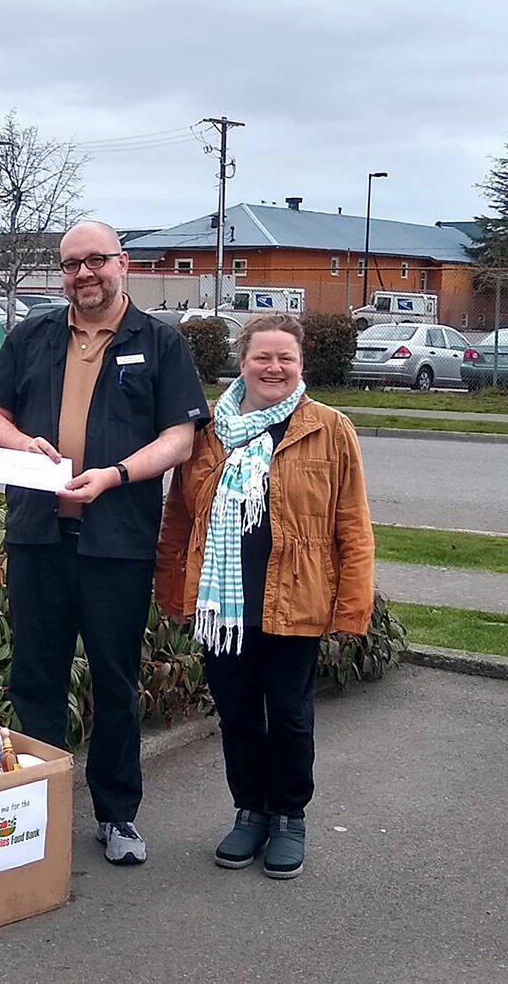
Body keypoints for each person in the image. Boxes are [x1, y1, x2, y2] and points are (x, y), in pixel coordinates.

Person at [0, 220, 208, 866]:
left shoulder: (158, 343)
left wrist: (114, 476)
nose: (83, 274)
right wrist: (23, 443)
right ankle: (33, 814)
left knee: (115, 681)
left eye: (95, 261)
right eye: (71, 264)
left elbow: (179, 439)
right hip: (37, 538)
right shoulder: (33, 336)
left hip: (117, 541)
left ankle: (117, 815)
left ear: (122, 263)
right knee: (35, 680)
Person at [155, 314, 373, 879]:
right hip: (221, 604)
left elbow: (352, 523)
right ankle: (249, 810)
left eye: (285, 359)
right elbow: (179, 517)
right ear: (242, 360)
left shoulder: (328, 428)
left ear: (301, 364)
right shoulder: (206, 432)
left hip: (295, 600)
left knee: (292, 718)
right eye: (262, 357)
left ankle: (288, 819)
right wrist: (171, 586)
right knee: (238, 716)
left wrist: (351, 606)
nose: (273, 368)